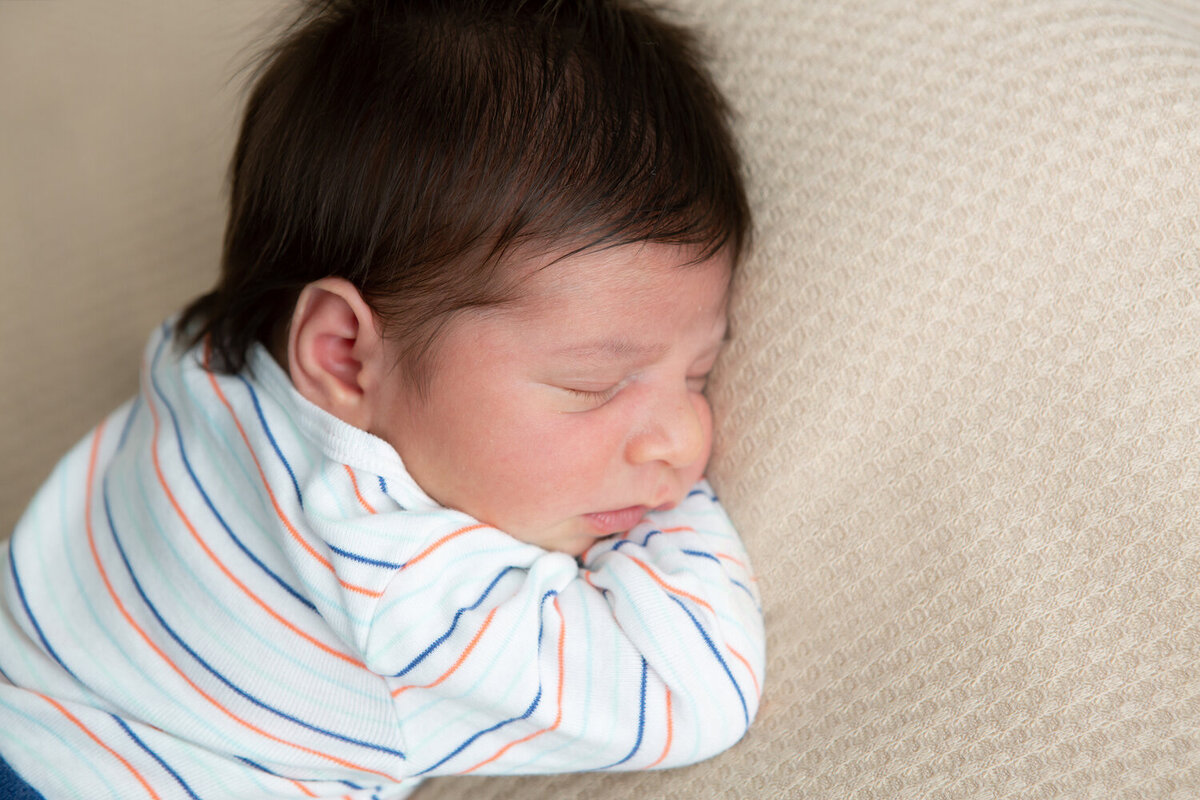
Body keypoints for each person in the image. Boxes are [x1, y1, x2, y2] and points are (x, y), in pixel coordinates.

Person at [0, 0, 765, 797]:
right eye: (593, 384)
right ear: (342, 354)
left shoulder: (206, 364)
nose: (681, 436)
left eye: (698, 375)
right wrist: (674, 510)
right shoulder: (401, 591)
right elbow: (695, 686)